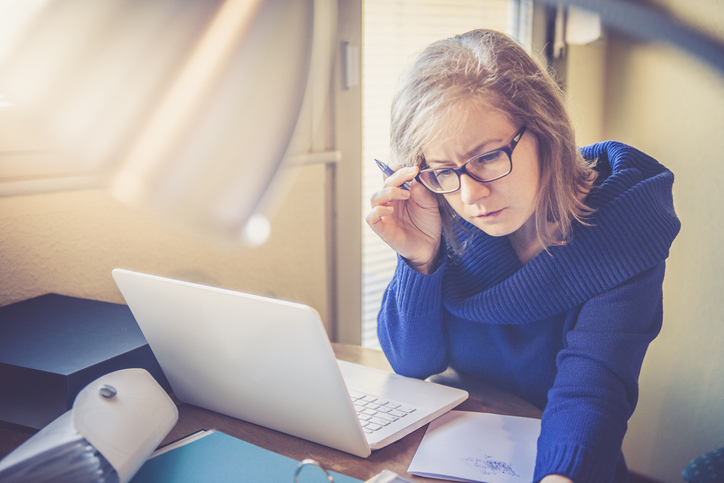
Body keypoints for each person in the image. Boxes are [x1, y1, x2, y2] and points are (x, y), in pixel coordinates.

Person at [366, 29, 680, 483]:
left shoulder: (621, 230)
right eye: (442, 172)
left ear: (545, 130)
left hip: (563, 467)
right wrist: (419, 259)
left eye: (489, 156)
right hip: (452, 454)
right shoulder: (446, 214)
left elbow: (590, 395)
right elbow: (413, 365)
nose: (472, 194)